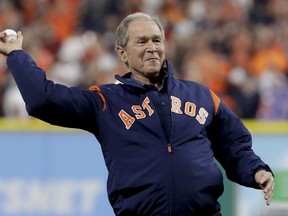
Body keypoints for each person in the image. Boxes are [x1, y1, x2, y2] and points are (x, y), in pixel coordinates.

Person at [0, 12, 274, 216]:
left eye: (157, 40)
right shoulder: (105, 101)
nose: (152, 47)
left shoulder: (200, 96)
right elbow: (43, 100)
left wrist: (257, 170)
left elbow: (234, 145)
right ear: (122, 53)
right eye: (141, 41)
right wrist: (16, 55)